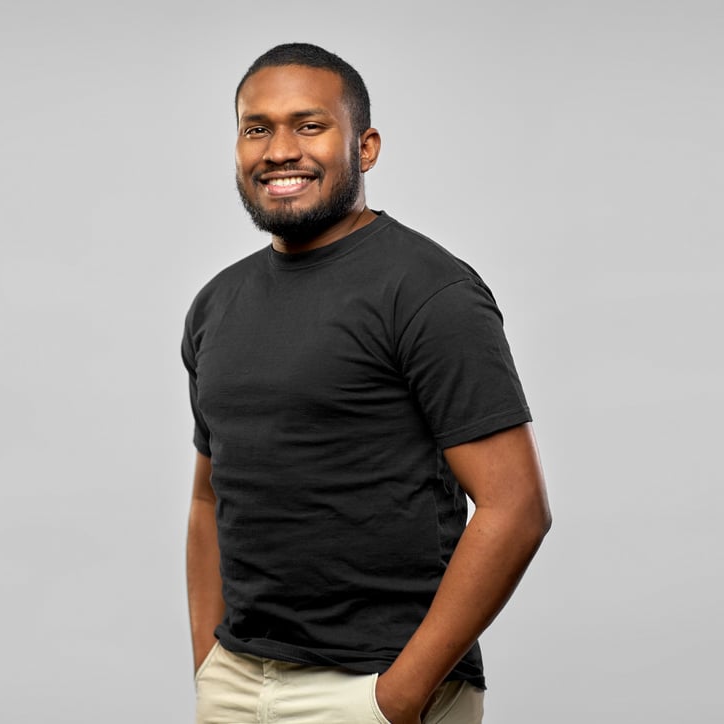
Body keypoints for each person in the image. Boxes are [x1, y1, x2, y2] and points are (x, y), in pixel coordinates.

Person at [182, 42, 552, 724]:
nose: (279, 150)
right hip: (237, 681)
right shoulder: (215, 304)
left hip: (374, 686)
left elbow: (516, 507)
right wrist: (210, 663)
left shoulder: (428, 290)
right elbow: (210, 498)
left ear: (366, 146)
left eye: (310, 125)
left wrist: (400, 694)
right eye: (256, 128)